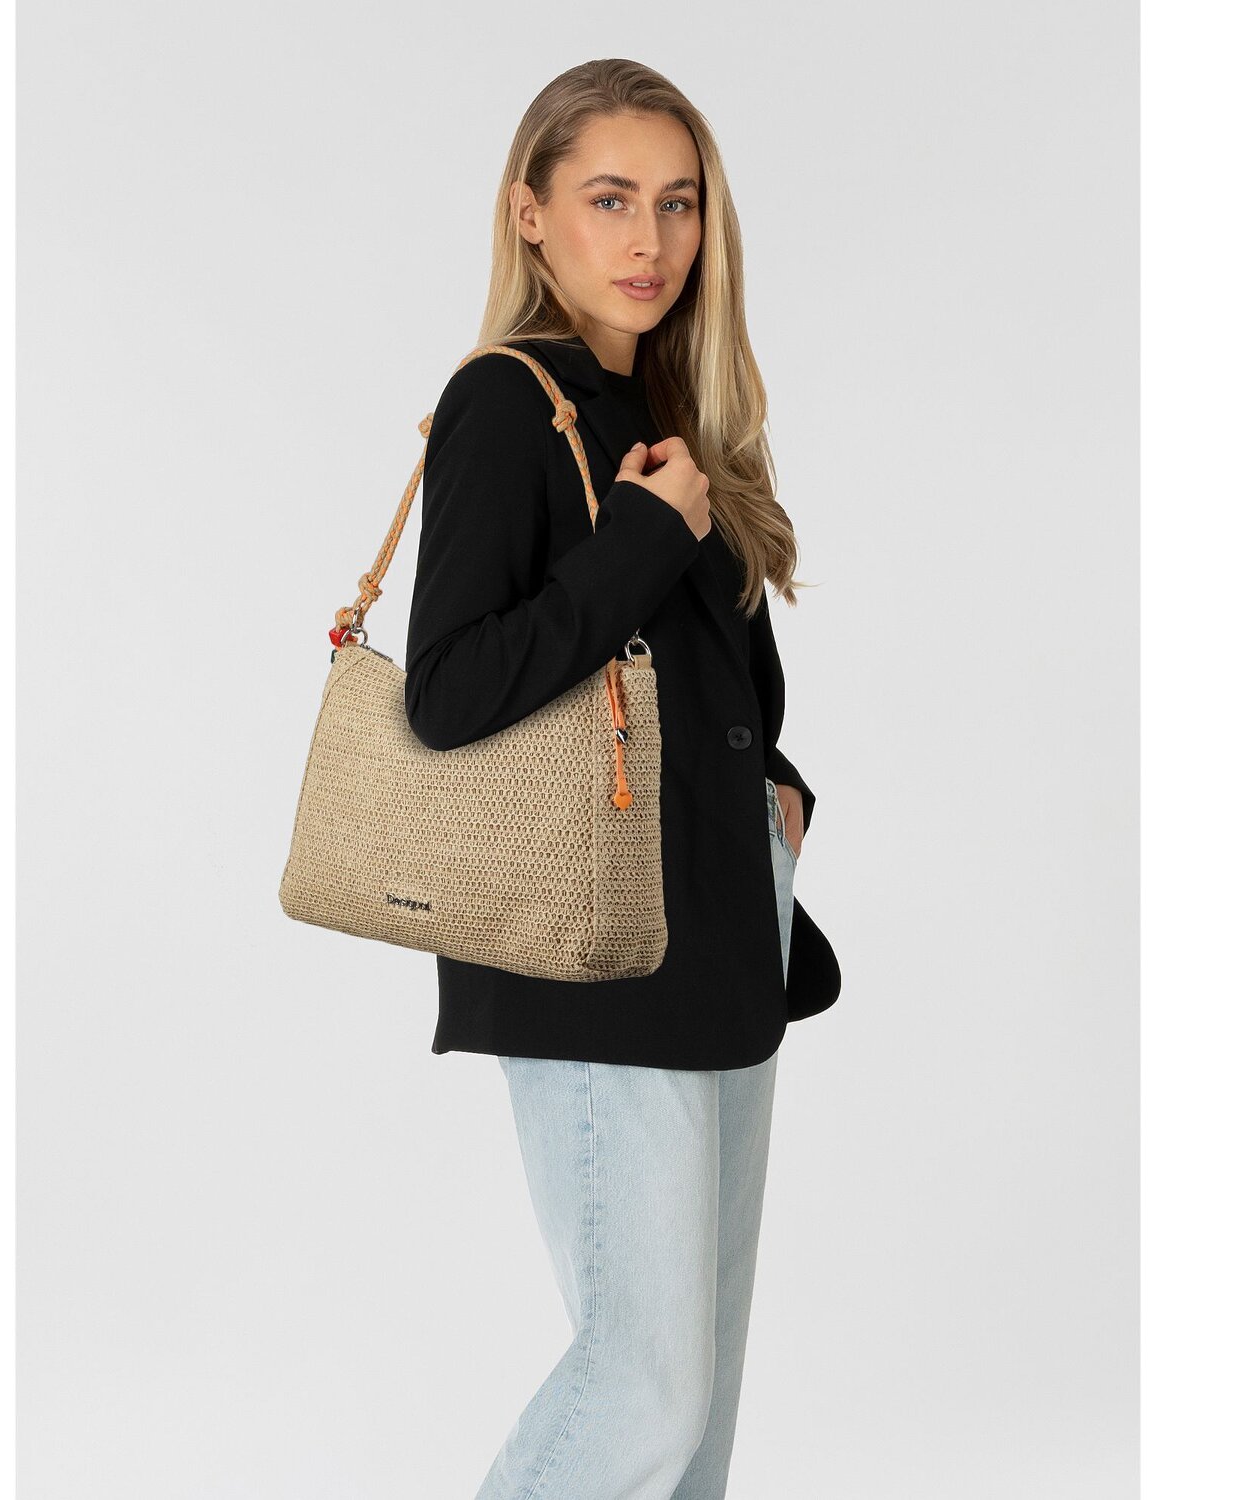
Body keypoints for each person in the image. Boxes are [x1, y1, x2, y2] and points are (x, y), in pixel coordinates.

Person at [402, 58, 842, 1500]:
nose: (650, 239)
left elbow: (709, 684)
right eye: (609, 200)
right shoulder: (505, 404)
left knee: (696, 1406)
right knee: (641, 1387)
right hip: (591, 937)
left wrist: (778, 790)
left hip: (726, 917)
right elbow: (451, 694)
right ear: (530, 214)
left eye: (678, 202)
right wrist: (647, 536)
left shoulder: (670, 409)